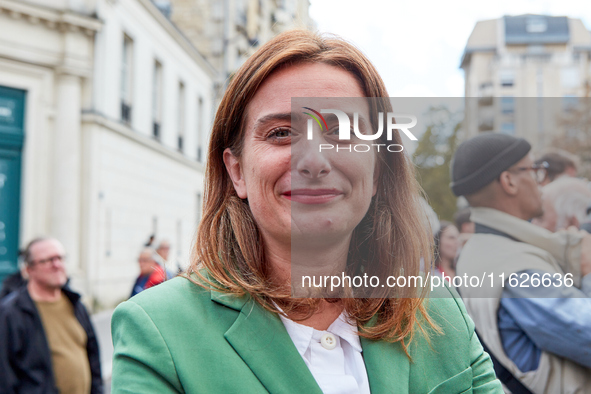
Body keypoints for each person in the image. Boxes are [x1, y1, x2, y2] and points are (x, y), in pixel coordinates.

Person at [111, 30, 502, 393]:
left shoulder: (435, 308)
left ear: (378, 169)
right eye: (281, 133)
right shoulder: (160, 330)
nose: (313, 161)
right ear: (236, 172)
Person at [451, 133, 591, 393]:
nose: (541, 183)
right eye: (535, 170)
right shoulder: (513, 266)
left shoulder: (485, 251)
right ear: (509, 181)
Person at [0, 237, 102, 393]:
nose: (57, 265)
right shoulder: (12, 312)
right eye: (47, 260)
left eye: (60, 258)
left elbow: (93, 357)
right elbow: (5, 377)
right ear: (29, 269)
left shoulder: (76, 303)